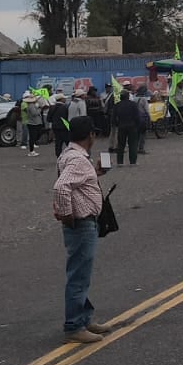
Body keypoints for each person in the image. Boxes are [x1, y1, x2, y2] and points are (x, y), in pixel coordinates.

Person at [52, 117, 115, 345]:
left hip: (81, 222)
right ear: (90, 135)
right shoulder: (78, 160)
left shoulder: (69, 155)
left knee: (81, 274)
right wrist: (66, 214)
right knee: (79, 276)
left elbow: (75, 182)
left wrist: (94, 172)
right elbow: (61, 187)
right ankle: (74, 326)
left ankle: (84, 318)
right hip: (81, 223)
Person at [112, 88, 141, 166]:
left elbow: (113, 118)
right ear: (128, 96)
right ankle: (133, 162)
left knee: (120, 145)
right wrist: (137, 125)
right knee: (133, 144)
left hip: (121, 126)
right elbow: (137, 117)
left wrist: (117, 124)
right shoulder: (133, 104)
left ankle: (120, 162)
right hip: (132, 126)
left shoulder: (117, 105)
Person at [21, 93, 46, 157]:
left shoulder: (30, 105)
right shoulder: (31, 105)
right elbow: (34, 113)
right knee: (33, 137)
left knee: (33, 136)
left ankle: (32, 150)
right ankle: (31, 151)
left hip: (32, 122)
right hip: (34, 123)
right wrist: (40, 109)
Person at [50, 94, 73, 158]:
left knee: (58, 143)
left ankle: (58, 156)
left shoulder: (52, 107)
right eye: (64, 98)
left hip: (55, 127)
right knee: (68, 142)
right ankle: (71, 155)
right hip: (64, 127)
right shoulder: (65, 107)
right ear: (61, 99)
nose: (65, 99)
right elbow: (68, 117)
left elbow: (48, 118)